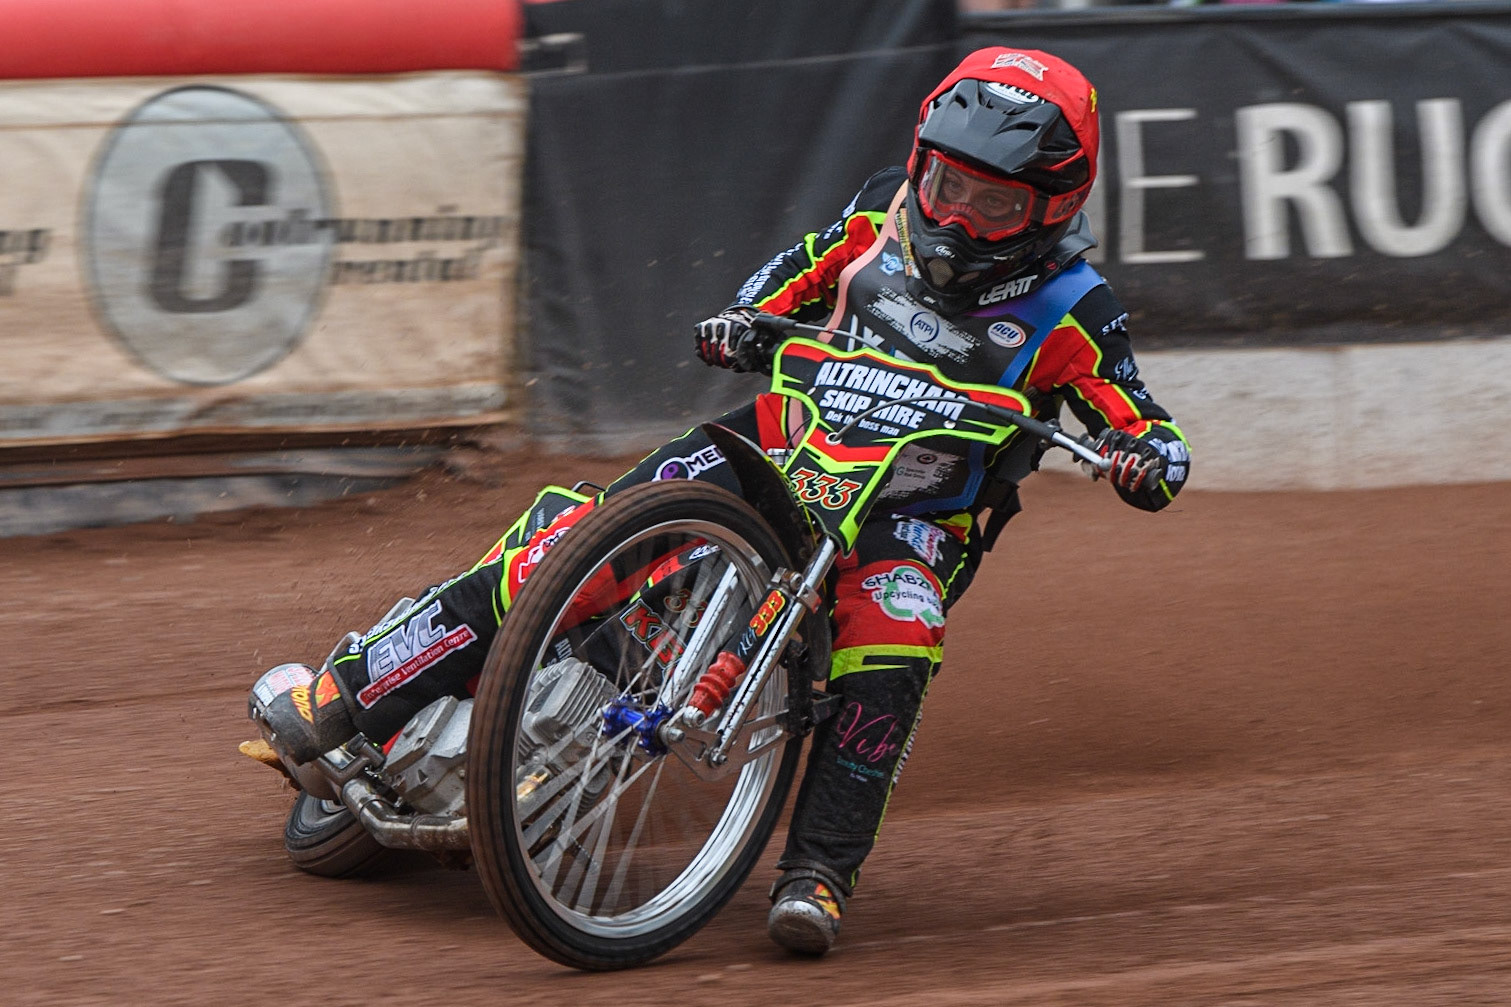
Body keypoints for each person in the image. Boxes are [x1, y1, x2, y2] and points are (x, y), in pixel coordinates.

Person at [247, 46, 1190, 956]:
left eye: (994, 203)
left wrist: (1144, 456)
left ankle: (816, 874)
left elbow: (1148, 423)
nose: (958, 214)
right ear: (920, 163)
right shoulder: (879, 215)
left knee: (896, 637)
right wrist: (742, 319)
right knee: (572, 545)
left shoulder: (1075, 306)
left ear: (1052, 205)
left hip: (909, 517)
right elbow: (784, 277)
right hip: (770, 449)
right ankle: (351, 691)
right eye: (946, 185)